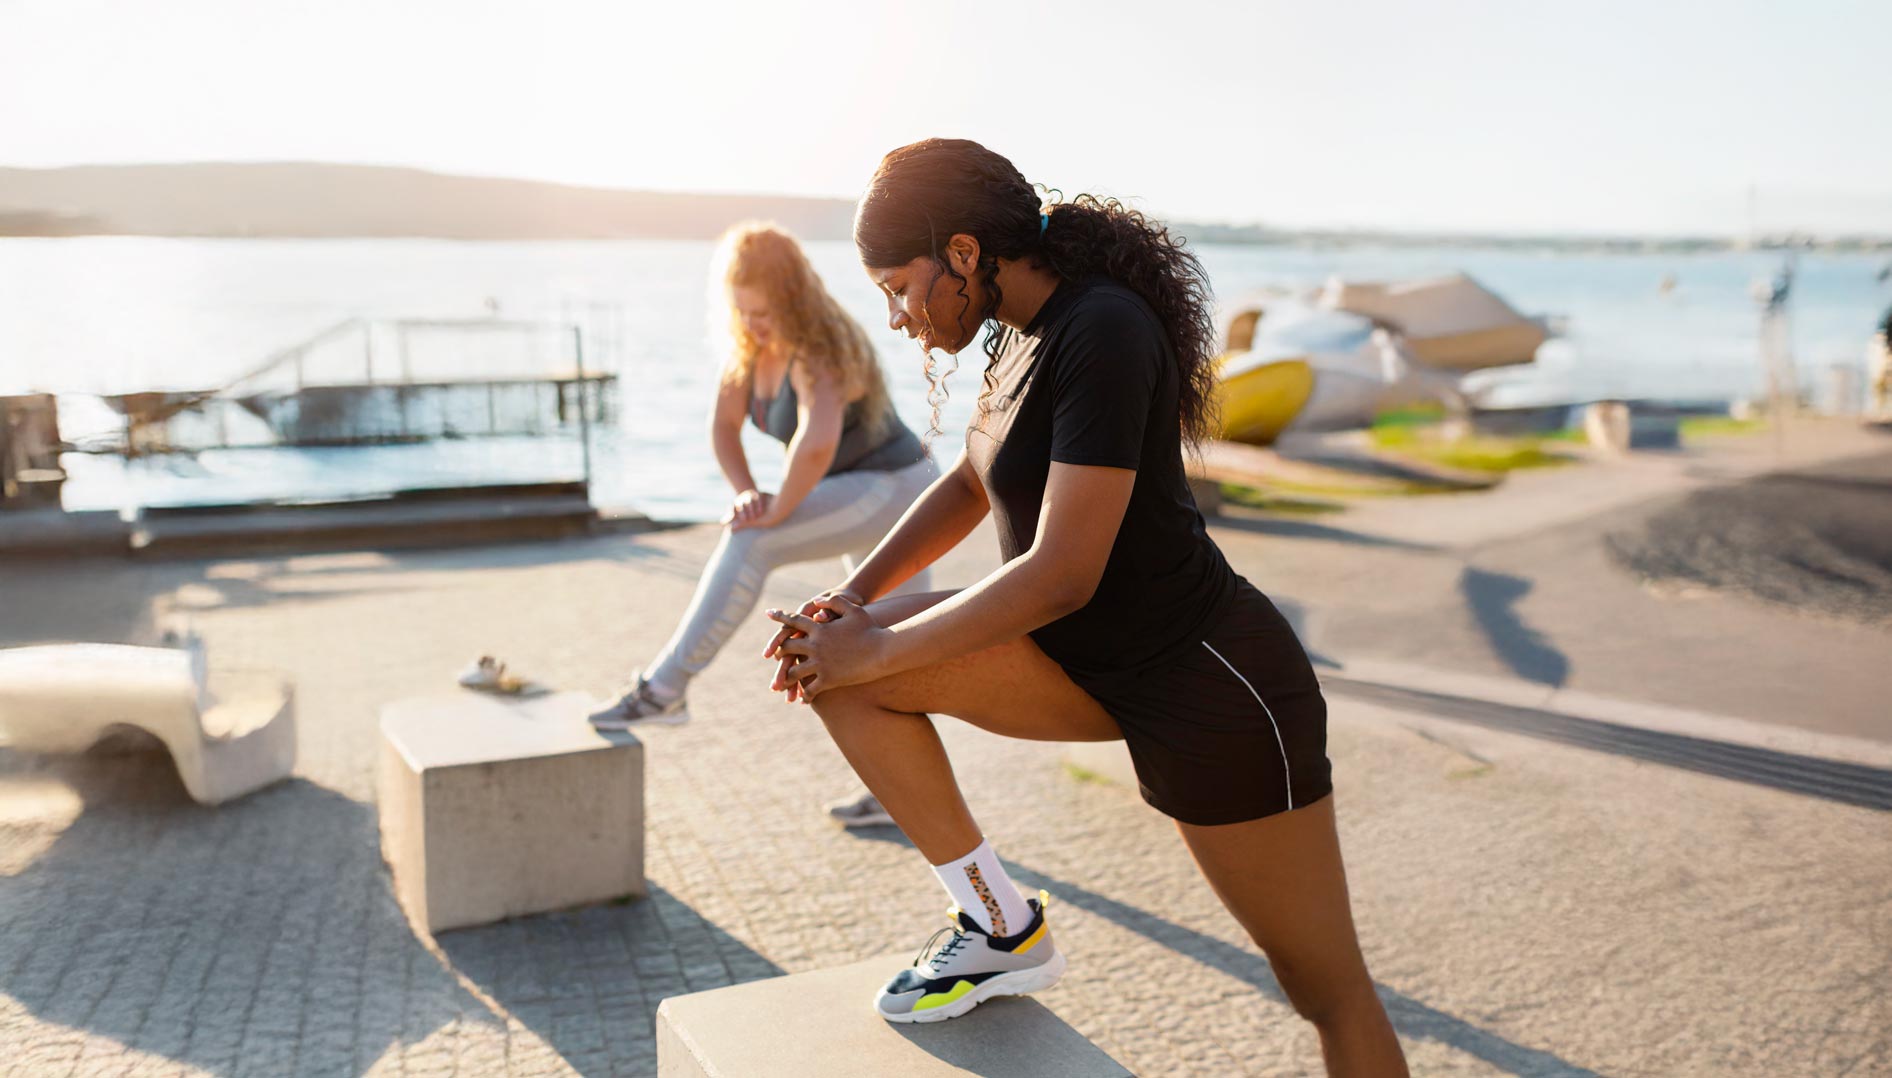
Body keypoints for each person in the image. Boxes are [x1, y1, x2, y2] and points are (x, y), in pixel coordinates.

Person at [763, 140, 1407, 1074]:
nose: (897, 317)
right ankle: (1000, 922)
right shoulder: (1017, 333)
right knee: (832, 664)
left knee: (1326, 991)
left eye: (900, 287)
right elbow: (969, 483)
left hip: (1211, 690)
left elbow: (1064, 573)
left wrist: (880, 646)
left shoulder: (1104, 328)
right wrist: (854, 601)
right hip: (1078, 662)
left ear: (966, 254)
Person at [591, 223, 937, 832]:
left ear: (794, 298)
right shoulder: (746, 351)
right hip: (854, 492)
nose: (754, 324)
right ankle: (895, 796)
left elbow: (816, 440)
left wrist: (775, 511)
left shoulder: (822, 344)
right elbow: (723, 429)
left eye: (765, 311)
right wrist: (748, 491)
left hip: (897, 489)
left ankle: (663, 690)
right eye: (743, 311)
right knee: (872, 649)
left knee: (754, 540)